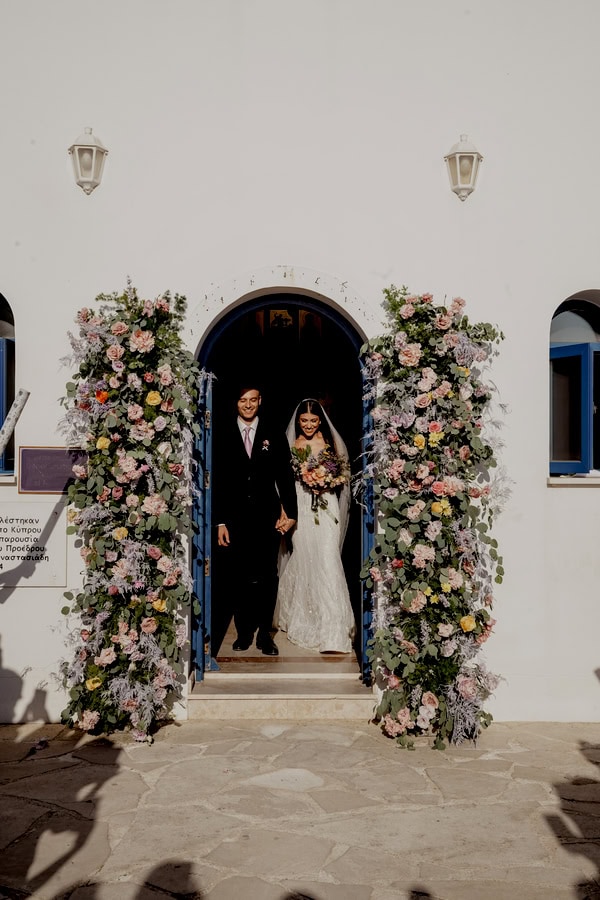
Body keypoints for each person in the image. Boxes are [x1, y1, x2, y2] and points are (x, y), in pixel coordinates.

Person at [213, 383, 297, 656]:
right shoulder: (223, 432)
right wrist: (220, 522)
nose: (248, 405)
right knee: (238, 575)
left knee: (267, 575)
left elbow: (285, 474)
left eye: (252, 400)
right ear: (235, 403)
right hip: (234, 518)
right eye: (242, 400)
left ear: (260, 400)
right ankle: (244, 631)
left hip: (266, 516)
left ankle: (264, 634)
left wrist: (291, 513)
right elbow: (218, 479)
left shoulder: (273, 431)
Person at [275, 399, 355, 653]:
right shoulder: (291, 444)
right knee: (304, 556)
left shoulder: (331, 444)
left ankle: (333, 631)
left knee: (328, 558)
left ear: (321, 420)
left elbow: (343, 475)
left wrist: (327, 481)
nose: (308, 425)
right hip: (300, 505)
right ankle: (306, 619)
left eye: (313, 421)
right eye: (304, 421)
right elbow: (282, 481)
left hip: (326, 505)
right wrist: (286, 510)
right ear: (297, 421)